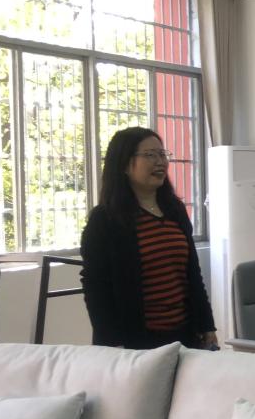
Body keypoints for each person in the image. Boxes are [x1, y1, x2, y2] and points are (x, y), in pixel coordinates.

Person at [80, 127, 217, 350]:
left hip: (185, 335)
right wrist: (111, 343)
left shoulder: (175, 210)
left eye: (162, 154)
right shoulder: (105, 219)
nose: (160, 162)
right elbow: (96, 287)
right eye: (150, 155)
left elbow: (192, 273)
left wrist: (207, 325)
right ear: (125, 165)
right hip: (136, 341)